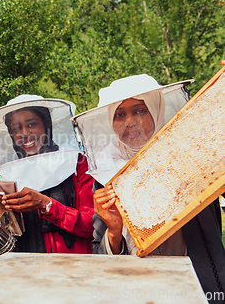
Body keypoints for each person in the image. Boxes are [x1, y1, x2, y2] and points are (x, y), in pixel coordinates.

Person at [73, 74, 225, 299]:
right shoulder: (106, 176)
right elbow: (101, 250)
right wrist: (114, 231)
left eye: (140, 110)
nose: (129, 121)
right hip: (134, 290)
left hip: (193, 287)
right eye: (119, 114)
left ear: (157, 110)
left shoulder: (191, 160)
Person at [0, 95, 94, 253]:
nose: (24, 133)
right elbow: (6, 237)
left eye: (31, 124)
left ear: (47, 126)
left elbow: (93, 226)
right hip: (26, 267)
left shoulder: (76, 163)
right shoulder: (8, 175)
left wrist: (47, 205)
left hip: (74, 264)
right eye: (16, 128)